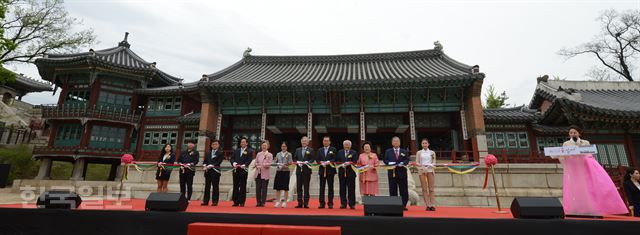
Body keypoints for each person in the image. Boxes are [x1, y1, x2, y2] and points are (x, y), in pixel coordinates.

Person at [559, 126, 627, 216]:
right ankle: (577, 209)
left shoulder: (585, 142)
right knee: (576, 188)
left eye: (574, 132)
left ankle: (592, 208)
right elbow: (564, 155)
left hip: (584, 167)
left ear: (579, 133)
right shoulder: (566, 143)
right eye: (571, 133)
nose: (572, 134)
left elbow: (589, 154)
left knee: (589, 187)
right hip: (574, 167)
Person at [383, 136, 410, 210]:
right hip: (392, 173)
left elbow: (407, 160)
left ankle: (403, 205)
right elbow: (385, 160)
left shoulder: (404, 151)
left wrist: (403, 163)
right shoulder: (388, 151)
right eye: (394, 141)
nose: (396, 142)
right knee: (392, 189)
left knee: (403, 189)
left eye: (397, 141)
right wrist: (389, 163)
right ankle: (394, 205)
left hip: (402, 173)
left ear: (400, 142)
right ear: (392, 143)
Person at [231, 137, 253, 207]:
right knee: (235, 186)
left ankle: (242, 201)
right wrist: (233, 163)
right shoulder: (236, 150)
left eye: (244, 142)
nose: (243, 143)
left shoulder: (249, 151)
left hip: (243, 170)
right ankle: (235, 201)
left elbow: (249, 159)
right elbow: (232, 158)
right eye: (241, 142)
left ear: (246, 143)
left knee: (243, 186)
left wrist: (245, 164)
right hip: (236, 170)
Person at [316, 136, 337, 209]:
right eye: (324, 141)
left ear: (330, 142)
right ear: (323, 142)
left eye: (327, 141)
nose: (326, 142)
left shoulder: (333, 149)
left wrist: (329, 161)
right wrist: (320, 162)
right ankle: (322, 203)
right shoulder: (320, 150)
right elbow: (317, 159)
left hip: (330, 170)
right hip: (322, 170)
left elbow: (335, 158)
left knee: (330, 187)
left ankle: (330, 203)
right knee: (322, 187)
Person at [337, 140, 358, 209]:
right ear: (343, 145)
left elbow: (355, 161)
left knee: (351, 189)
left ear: (350, 146)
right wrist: (341, 164)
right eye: (345, 145)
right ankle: (343, 203)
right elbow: (337, 161)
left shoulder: (354, 152)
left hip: (351, 173)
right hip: (342, 172)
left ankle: (352, 204)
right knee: (342, 189)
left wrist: (349, 163)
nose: (346, 146)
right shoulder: (340, 152)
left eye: (348, 145)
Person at [293, 136, 314, 208]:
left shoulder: (311, 150)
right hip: (299, 170)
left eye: (305, 141)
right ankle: (299, 202)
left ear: (308, 142)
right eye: (303, 141)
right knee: (299, 187)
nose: (304, 142)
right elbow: (295, 158)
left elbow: (312, 159)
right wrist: (297, 162)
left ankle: (306, 203)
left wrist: (307, 162)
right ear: (301, 142)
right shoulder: (297, 150)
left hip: (307, 170)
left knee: (306, 187)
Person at [202, 139, 224, 206]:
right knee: (207, 186)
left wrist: (212, 165)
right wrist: (204, 165)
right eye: (213, 144)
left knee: (215, 186)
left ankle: (215, 201)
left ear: (218, 145)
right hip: (208, 171)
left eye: (216, 144)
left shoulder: (220, 152)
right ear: (211, 145)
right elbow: (205, 161)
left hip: (215, 171)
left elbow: (219, 161)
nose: (214, 145)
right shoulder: (208, 152)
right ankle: (205, 201)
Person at [416, 138, 436, 211]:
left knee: (431, 189)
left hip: (430, 170)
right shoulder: (419, 152)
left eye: (426, 143)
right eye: (423, 143)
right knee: (424, 189)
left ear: (428, 144)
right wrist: (422, 167)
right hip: (422, 171)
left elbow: (434, 162)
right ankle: (427, 205)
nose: (424, 144)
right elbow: (417, 162)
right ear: (421, 144)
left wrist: (428, 166)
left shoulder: (432, 152)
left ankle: (433, 205)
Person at [254, 140, 273, 207]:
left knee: (264, 188)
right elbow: (255, 162)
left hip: (265, 173)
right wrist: (257, 165)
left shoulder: (270, 155)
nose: (264, 146)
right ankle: (258, 202)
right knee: (258, 188)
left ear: (267, 146)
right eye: (263, 145)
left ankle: (263, 202)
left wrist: (262, 165)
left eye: (265, 145)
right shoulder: (258, 154)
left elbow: (269, 164)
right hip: (258, 173)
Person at [274, 142, 293, 208]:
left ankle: (284, 202)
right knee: (278, 188)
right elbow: (275, 162)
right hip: (279, 171)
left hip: (286, 171)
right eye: (282, 146)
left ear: (286, 147)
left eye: (285, 146)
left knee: (285, 188)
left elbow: (291, 162)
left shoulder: (289, 154)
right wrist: (278, 165)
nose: (283, 147)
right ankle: (277, 201)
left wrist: (286, 165)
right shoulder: (278, 154)